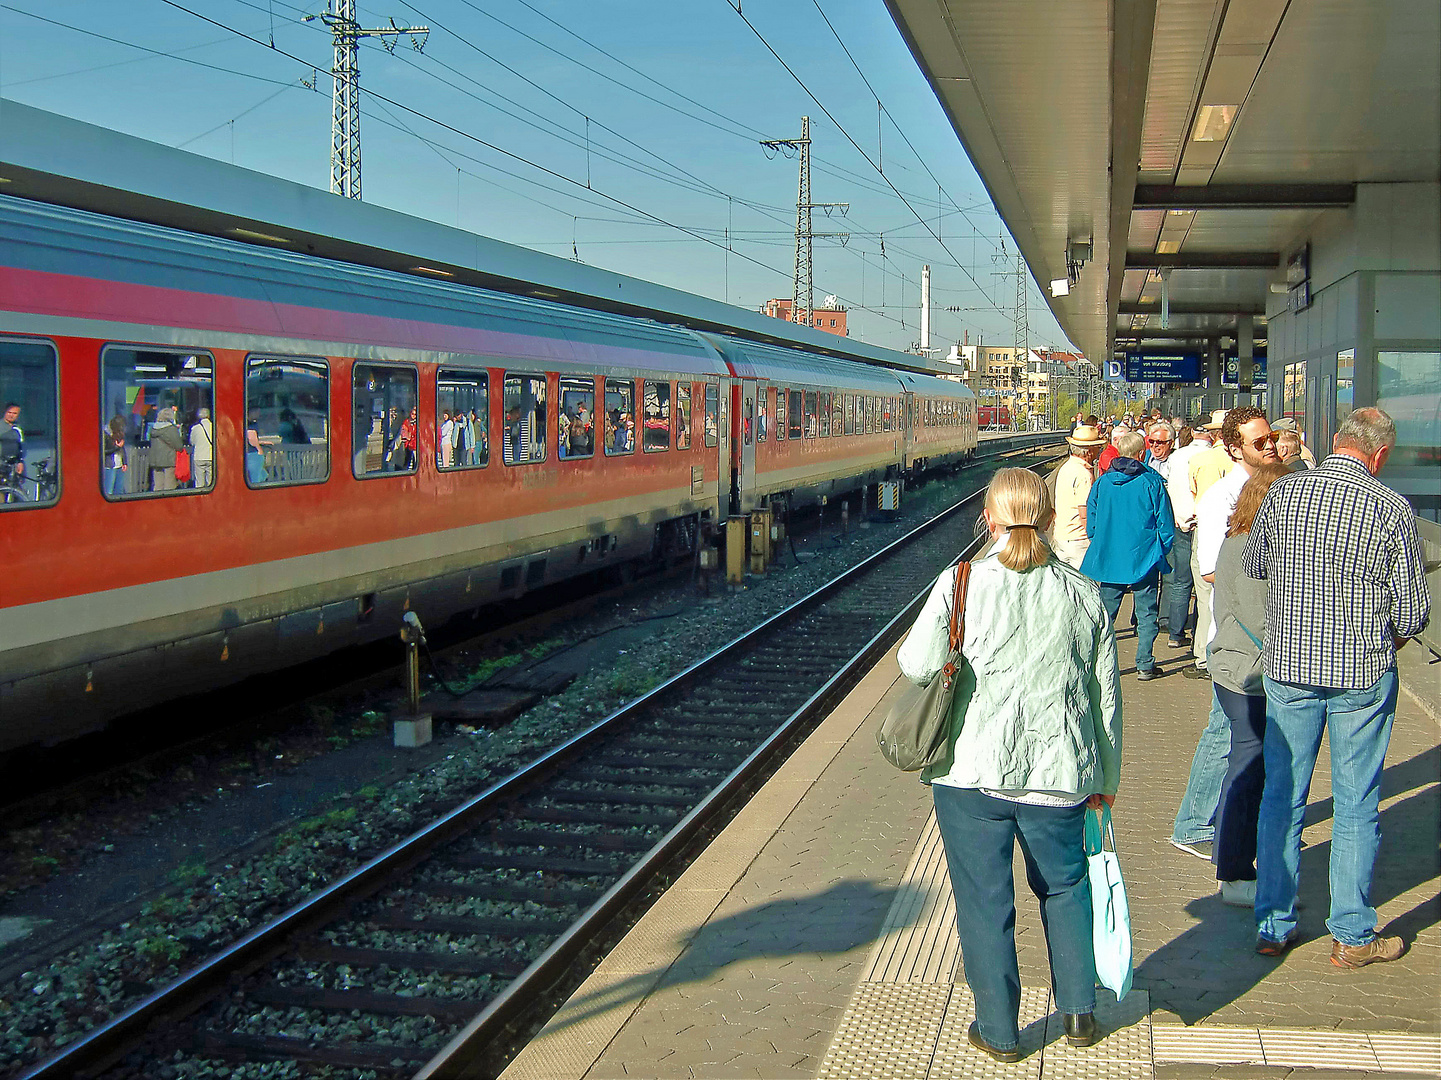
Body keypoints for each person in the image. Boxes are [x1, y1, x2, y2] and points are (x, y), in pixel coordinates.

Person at [898, 467, 1120, 1062]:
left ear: (988, 519)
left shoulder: (961, 583)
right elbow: (1105, 697)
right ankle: (1078, 1011)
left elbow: (916, 664)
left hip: (972, 774)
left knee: (984, 900)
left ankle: (999, 1029)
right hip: (1061, 773)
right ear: (1049, 519)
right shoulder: (1082, 591)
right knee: (1067, 886)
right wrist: (1107, 781)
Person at [1245, 408, 1431, 963]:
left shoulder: (1285, 495)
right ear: (1379, 456)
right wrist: (1382, 632)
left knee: (1282, 796)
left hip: (1289, 668)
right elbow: (1416, 611)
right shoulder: (1393, 509)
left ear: (1335, 441)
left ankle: (1274, 925)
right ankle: (1351, 934)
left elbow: (1255, 565)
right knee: (1356, 802)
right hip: (1362, 673)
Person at [1170, 406, 1278, 857]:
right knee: (1225, 733)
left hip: (1258, 640)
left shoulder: (1276, 488)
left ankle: (1214, 821)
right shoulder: (1221, 499)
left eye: (1271, 439)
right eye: (1260, 443)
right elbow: (1213, 570)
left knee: (1233, 733)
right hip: (1237, 639)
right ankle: (1195, 825)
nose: (1270, 447)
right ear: (1235, 448)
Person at [1207, 463, 1288, 906]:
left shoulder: (1235, 539)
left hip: (1231, 664)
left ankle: (1232, 859)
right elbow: (1267, 617)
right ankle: (1235, 870)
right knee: (1252, 764)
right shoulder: (1262, 548)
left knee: (1246, 758)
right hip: (1252, 672)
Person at [1080, 431, 1175, 679]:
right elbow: (1165, 522)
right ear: (1140, 453)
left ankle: (1096, 664)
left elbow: (1092, 519)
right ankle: (1144, 663)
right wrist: (1161, 550)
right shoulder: (1151, 482)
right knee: (1146, 613)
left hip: (1110, 556)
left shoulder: (1103, 482)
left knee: (1105, 615)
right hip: (1144, 557)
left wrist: (1099, 541)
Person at [1164, 426, 1208, 649]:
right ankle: (1199, 632)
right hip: (1203, 524)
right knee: (1204, 581)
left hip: (1179, 522)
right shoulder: (1213, 456)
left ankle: (1175, 633)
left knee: (1181, 581)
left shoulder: (1176, 456)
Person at [1052, 424, 1106, 569]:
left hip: (1062, 535)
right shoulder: (1083, 475)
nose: (1099, 451)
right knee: (1084, 585)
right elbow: (1085, 513)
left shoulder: (1066, 467)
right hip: (1079, 540)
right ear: (1088, 451)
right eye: (1097, 448)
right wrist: (1094, 539)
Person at [147, 405, 184, 491]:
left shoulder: (153, 429)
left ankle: (157, 503)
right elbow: (179, 446)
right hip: (169, 460)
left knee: (157, 486)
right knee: (169, 487)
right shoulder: (171, 429)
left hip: (155, 461)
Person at [103, 415, 128, 496]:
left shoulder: (119, 433)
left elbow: (122, 448)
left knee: (119, 491)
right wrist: (117, 447)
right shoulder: (105, 435)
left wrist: (125, 462)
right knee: (109, 491)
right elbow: (103, 451)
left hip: (119, 465)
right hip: (109, 466)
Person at [189, 407, 214, 489]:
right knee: (211, 482)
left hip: (199, 457)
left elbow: (192, 442)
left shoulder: (195, 428)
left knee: (199, 483)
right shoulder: (214, 427)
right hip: (211, 456)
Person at [1, 402, 24, 480]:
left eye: (14, 413)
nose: (11, 415)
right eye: (9, 412)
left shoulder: (17, 428)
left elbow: (20, 446)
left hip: (13, 466)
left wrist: (20, 462)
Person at [245, 416, 269, 484]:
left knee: (263, 475)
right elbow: (251, 438)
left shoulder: (245, 423)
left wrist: (261, 442)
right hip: (253, 454)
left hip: (248, 453)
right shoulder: (251, 425)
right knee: (256, 479)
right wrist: (259, 449)